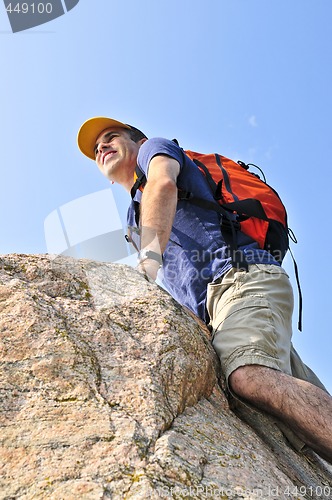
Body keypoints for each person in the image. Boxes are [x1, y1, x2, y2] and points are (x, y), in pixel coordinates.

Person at [77, 116, 332, 462]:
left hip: (240, 277)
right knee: (295, 416)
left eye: (111, 137)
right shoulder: (134, 216)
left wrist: (147, 262)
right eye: (96, 148)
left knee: (248, 374)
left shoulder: (154, 150)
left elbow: (163, 184)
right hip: (220, 311)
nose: (102, 147)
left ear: (137, 141)